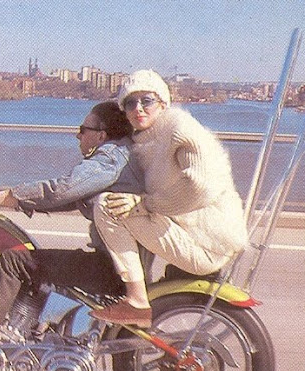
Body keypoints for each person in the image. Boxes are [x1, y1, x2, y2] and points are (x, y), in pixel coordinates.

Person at [0, 101, 144, 371]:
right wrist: (1, 198)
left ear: (101, 135)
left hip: (111, 267)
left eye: (83, 129)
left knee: (13, 261)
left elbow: (62, 189)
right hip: (118, 262)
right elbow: (67, 198)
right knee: (32, 259)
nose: (77, 135)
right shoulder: (120, 155)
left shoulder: (111, 157)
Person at [89, 69, 248, 327]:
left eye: (147, 100)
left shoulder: (178, 129)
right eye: (130, 103)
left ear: (163, 103)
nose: (138, 108)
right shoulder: (147, 138)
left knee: (107, 205)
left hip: (208, 245)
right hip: (197, 238)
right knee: (121, 204)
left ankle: (137, 300)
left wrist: (144, 203)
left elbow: (200, 185)